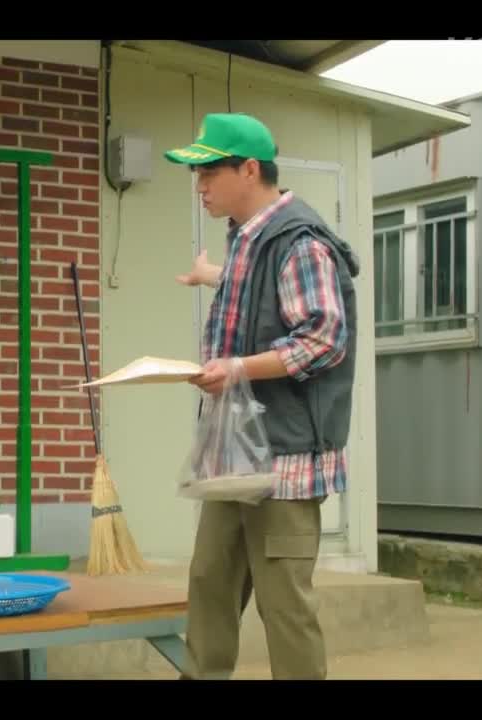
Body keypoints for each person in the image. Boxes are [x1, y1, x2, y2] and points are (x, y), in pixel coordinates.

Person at [165, 113, 360, 680]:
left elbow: (323, 339)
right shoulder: (250, 240)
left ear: (249, 170)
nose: (200, 186)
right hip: (235, 456)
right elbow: (258, 295)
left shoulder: (301, 243)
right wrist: (211, 275)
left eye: (208, 172)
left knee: (285, 607)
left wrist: (236, 369)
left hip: (285, 461)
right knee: (210, 584)